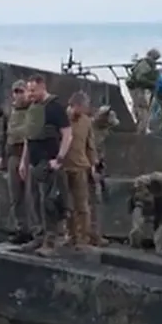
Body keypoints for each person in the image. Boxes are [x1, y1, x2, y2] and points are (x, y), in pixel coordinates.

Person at [18, 74, 73, 253]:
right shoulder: (33, 108)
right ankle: (38, 237)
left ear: (43, 87)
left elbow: (67, 134)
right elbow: (29, 136)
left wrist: (59, 158)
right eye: (29, 91)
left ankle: (51, 241)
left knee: (48, 202)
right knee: (33, 200)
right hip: (34, 162)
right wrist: (23, 162)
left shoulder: (55, 107)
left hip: (48, 161)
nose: (31, 94)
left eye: (33, 90)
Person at [0, 80, 39, 243]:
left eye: (21, 91)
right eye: (16, 91)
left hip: (28, 155)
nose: (18, 94)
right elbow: (3, 135)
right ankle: (22, 229)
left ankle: (36, 230)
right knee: (15, 195)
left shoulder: (33, 110)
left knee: (30, 195)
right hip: (13, 153)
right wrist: (0, 155)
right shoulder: (9, 111)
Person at [62, 91, 100, 246]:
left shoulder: (87, 122)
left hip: (80, 167)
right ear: (76, 106)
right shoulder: (62, 119)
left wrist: (93, 165)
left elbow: (90, 145)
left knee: (82, 205)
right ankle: (71, 236)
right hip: (63, 166)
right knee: (67, 205)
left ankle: (83, 237)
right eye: (84, 107)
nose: (86, 110)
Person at [87, 104, 118, 245]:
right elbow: (89, 150)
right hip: (87, 166)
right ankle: (88, 234)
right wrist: (93, 168)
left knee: (96, 202)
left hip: (98, 166)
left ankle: (94, 234)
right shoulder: (90, 129)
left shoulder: (103, 132)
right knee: (89, 202)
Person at [126, 48, 162, 133]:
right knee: (143, 109)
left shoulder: (146, 64)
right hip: (136, 87)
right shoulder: (144, 65)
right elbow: (140, 78)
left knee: (140, 107)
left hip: (138, 88)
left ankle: (140, 127)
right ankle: (141, 131)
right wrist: (150, 83)